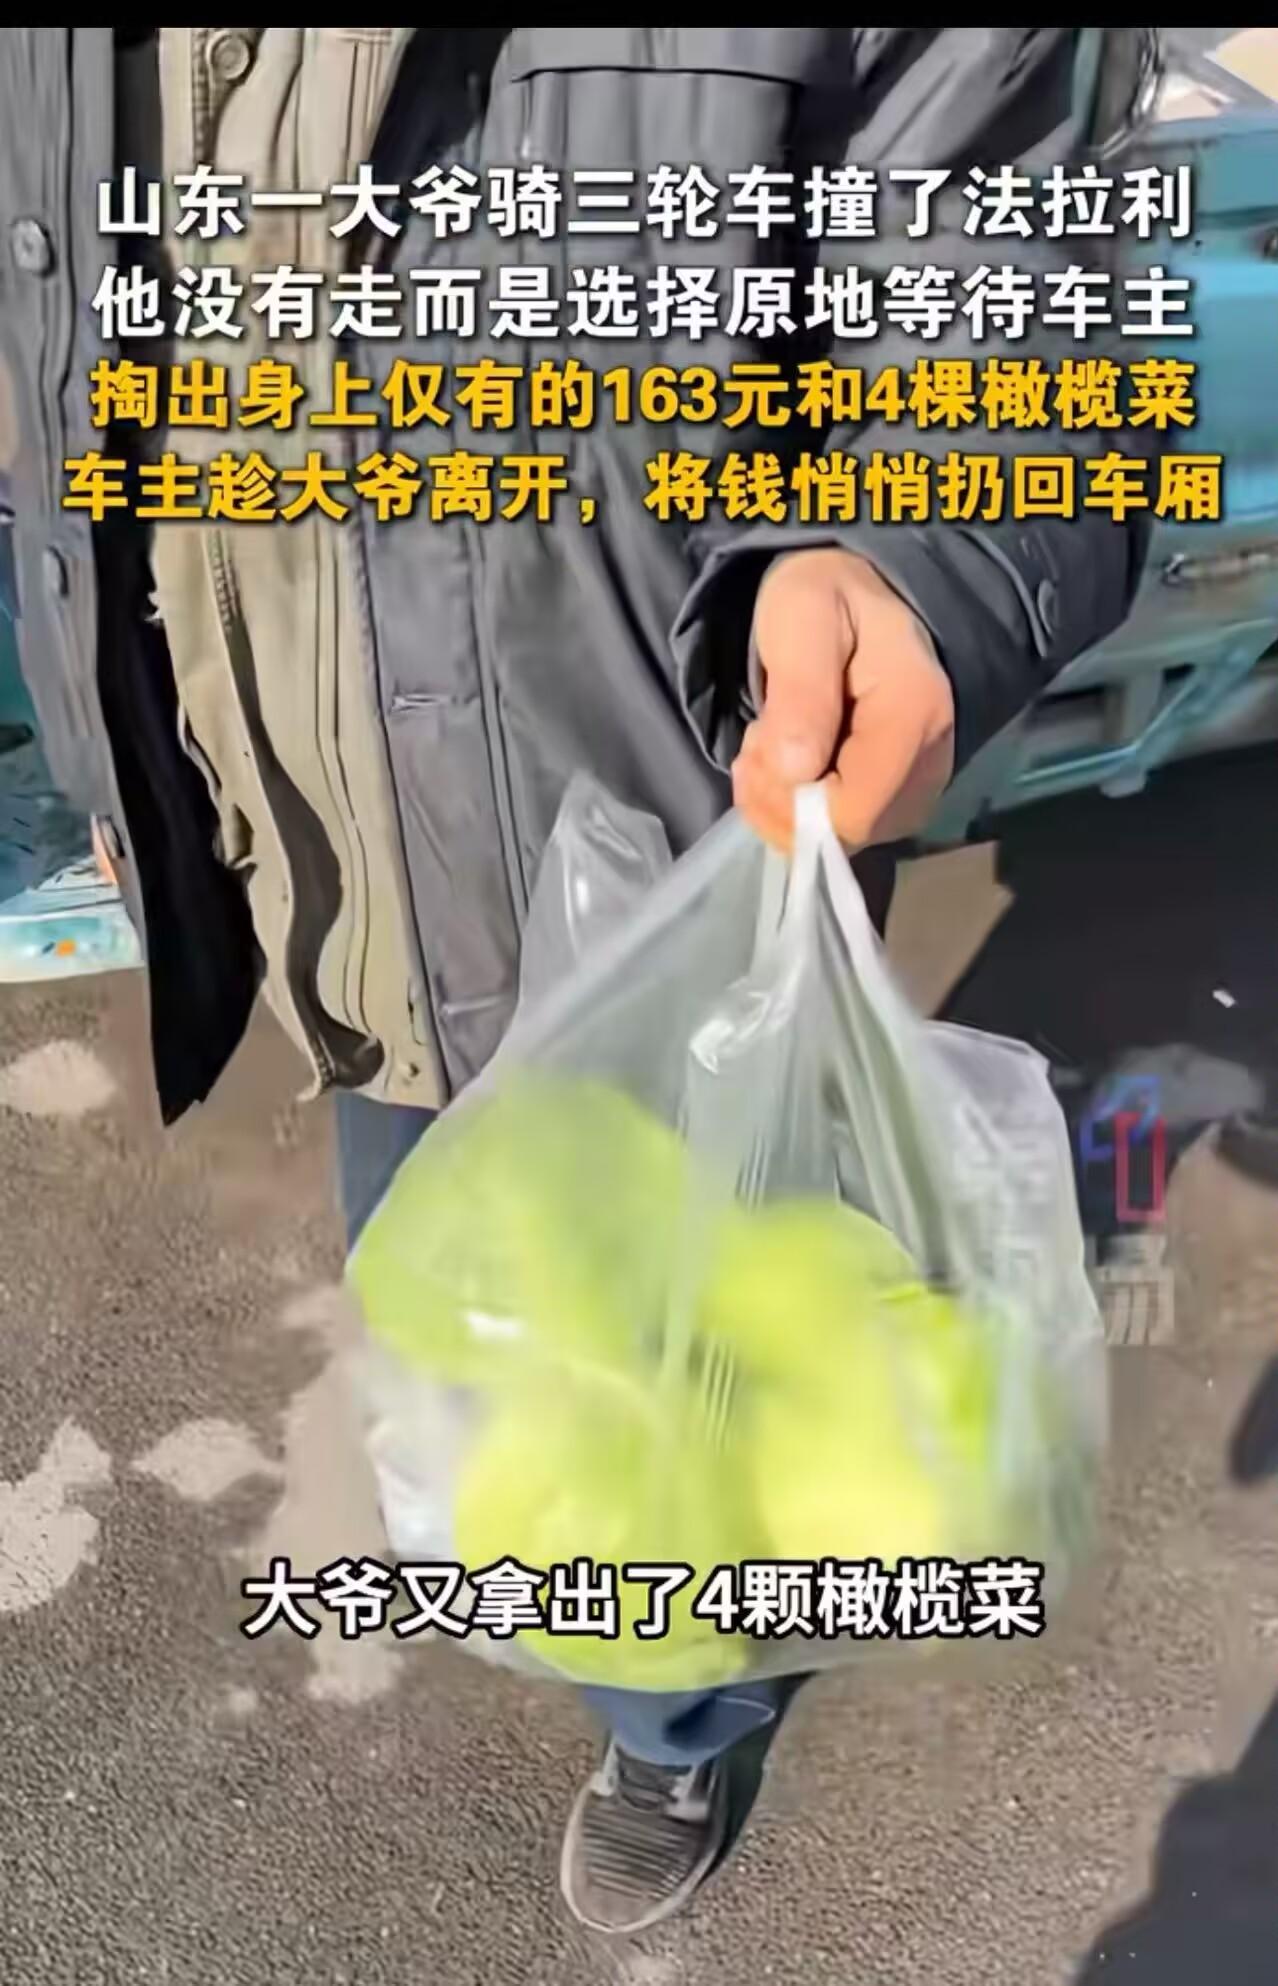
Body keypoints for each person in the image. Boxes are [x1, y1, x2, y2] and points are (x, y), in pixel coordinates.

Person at [1, 25, 1157, 1938]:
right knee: (481, 1333)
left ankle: (677, 1719)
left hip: (650, 836)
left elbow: (987, 209)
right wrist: (105, 718)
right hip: (315, 857)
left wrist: (931, 546)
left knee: (695, 1388)